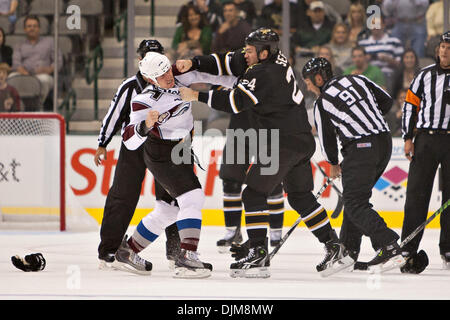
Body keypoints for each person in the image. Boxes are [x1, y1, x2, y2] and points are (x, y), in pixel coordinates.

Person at [178, 28, 353, 278]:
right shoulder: (272, 59)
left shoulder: (264, 71)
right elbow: (227, 60)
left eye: (249, 51)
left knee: (252, 193)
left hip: (282, 143)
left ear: (263, 52)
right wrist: (194, 62)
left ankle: (258, 256)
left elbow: (235, 103)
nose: (244, 55)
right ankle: (335, 247)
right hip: (300, 139)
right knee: (300, 197)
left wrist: (196, 95)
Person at [116, 51, 237, 277]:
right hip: (161, 152)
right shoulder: (143, 101)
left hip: (182, 149)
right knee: (193, 198)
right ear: (151, 79)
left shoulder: (180, 76)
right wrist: (144, 126)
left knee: (168, 210)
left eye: (168, 70)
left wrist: (239, 84)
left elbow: (212, 77)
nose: (168, 76)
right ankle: (186, 257)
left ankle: (128, 251)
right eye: (161, 75)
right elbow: (129, 140)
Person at [303, 57, 406, 272]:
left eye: (308, 82)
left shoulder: (322, 102)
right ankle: (348, 251)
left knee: (354, 202)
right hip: (384, 142)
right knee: (354, 196)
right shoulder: (357, 79)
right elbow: (387, 102)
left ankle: (388, 244)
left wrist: (332, 164)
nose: (308, 87)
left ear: (319, 78)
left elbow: (326, 139)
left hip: (360, 148)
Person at [96, 40, 180, 270]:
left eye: (157, 54)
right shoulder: (129, 86)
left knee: (173, 196)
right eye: (147, 54)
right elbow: (114, 114)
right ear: (141, 59)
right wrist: (103, 142)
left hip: (166, 145)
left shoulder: (173, 82)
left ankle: (177, 251)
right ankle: (109, 250)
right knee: (122, 196)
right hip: (134, 145)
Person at [400, 31, 450, 272]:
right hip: (426, 141)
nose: (445, 51)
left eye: (449, 47)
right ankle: (408, 247)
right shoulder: (424, 76)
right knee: (416, 195)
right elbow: (410, 106)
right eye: (442, 46)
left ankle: (448, 248)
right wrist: (408, 138)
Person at [10, 15, 62, 106]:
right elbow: (16, 63)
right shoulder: (19, 45)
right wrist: (27, 75)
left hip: (43, 74)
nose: (32, 28)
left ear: (39, 28)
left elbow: (58, 61)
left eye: (35, 26)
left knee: (44, 80)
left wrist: (48, 69)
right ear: (25, 29)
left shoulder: (50, 42)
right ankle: (18, 106)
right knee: (11, 77)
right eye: (29, 26)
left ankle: (37, 106)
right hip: (24, 74)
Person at [357, 16, 404, 91]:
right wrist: (365, 59)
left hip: (387, 73)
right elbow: (356, 61)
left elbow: (401, 65)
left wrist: (388, 59)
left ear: (384, 25)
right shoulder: (362, 43)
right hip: (368, 74)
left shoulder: (395, 41)